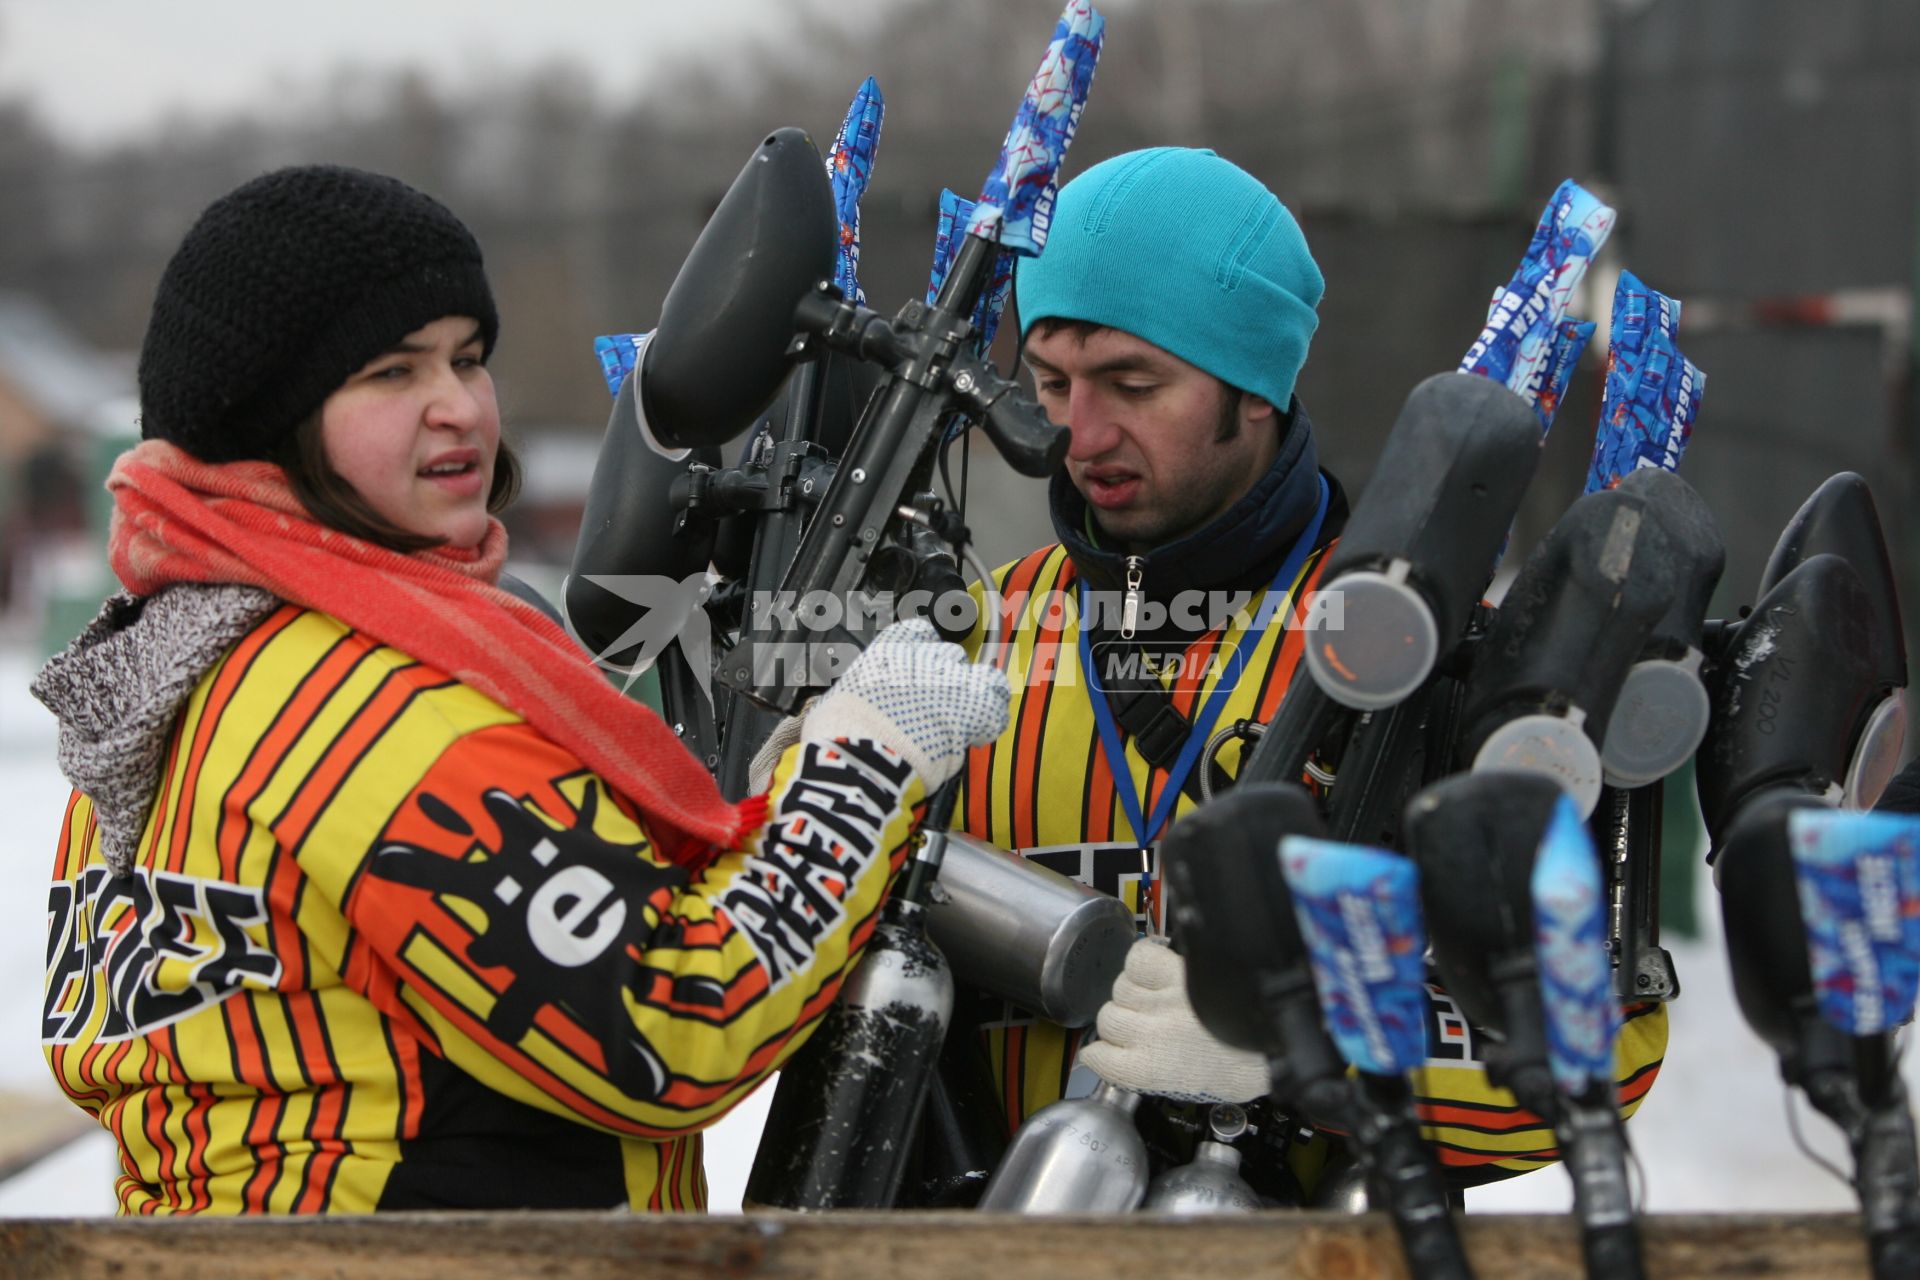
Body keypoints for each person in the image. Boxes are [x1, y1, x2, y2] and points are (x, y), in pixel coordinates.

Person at [31, 165, 1008, 1215]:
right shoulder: (366, 713)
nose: (457, 406)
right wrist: (869, 759)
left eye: (468, 357)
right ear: (266, 415)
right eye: (392, 373)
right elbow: (678, 1013)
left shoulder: (178, 670)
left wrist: (784, 806)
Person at [950, 147, 1668, 1196]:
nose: (1080, 433)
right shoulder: (965, 637)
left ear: (1256, 388)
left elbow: (1602, 1046)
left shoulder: (1443, 654)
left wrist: (1313, 1037)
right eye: (1053, 381)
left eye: (1133, 382)